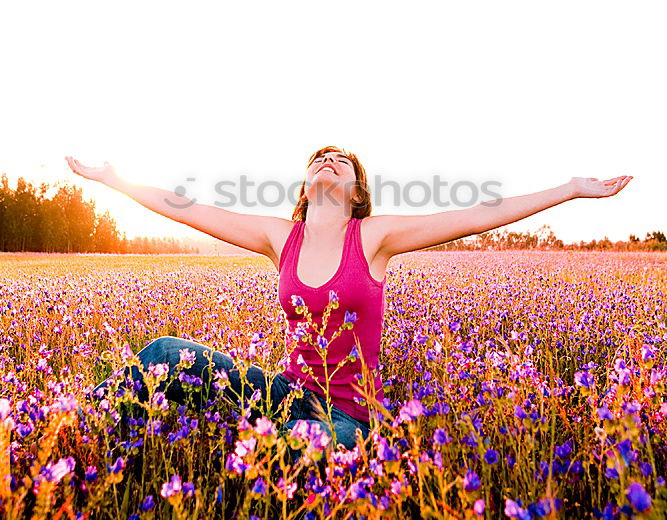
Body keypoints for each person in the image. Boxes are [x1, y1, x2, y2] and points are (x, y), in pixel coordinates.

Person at [67, 149, 632, 459]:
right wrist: (116, 181)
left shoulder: (374, 238)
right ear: (304, 186)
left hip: (347, 417)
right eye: (320, 158)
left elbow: (474, 216)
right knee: (164, 354)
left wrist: (569, 189)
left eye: (342, 161)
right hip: (284, 394)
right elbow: (189, 210)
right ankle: (79, 432)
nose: (329, 160)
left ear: (358, 193)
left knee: (290, 454)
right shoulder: (279, 238)